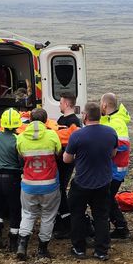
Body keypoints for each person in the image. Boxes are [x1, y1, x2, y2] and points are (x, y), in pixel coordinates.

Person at [63, 102, 118, 261]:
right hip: (103, 182)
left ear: (85, 116)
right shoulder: (110, 132)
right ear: (99, 115)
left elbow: (67, 159)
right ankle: (101, 251)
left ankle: (79, 249)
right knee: (101, 216)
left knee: (77, 215)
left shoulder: (77, 135)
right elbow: (113, 153)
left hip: (82, 182)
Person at [15, 108, 62, 260]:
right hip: (50, 186)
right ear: (46, 121)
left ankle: (22, 245)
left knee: (28, 214)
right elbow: (59, 153)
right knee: (48, 216)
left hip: (28, 185)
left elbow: (20, 157)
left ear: (29, 119)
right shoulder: (52, 135)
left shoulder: (21, 138)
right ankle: (42, 250)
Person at [0, 108, 23, 251]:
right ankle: (13, 242)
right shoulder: (17, 139)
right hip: (12, 180)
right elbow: (20, 161)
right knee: (15, 210)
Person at [100, 93, 132, 239]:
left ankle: (113, 228)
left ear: (105, 105)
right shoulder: (108, 119)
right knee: (108, 198)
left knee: (105, 199)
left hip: (116, 169)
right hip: (110, 169)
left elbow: (123, 145)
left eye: (101, 103)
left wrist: (103, 149)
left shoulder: (117, 122)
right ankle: (120, 227)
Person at [53, 92, 83, 239]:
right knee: (58, 190)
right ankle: (61, 220)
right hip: (58, 161)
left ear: (66, 103)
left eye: (60, 102)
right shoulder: (61, 119)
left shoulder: (74, 122)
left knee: (60, 190)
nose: (59, 104)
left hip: (66, 162)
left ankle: (67, 223)